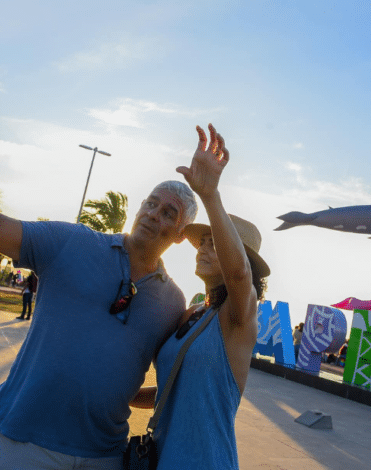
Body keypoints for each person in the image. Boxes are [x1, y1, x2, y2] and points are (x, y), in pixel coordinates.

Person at [0, 115, 199, 467]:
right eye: (151, 203)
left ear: (181, 233)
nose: (153, 214)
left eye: (169, 213)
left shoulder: (172, 302)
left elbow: (167, 382)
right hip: (26, 442)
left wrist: (118, 393)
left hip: (104, 454)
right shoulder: (71, 243)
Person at [130, 124, 269, 469]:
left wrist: (210, 195)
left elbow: (238, 276)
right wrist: (122, 394)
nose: (204, 248)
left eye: (214, 243)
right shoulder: (192, 313)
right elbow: (171, 390)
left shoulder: (239, 315)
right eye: (202, 242)